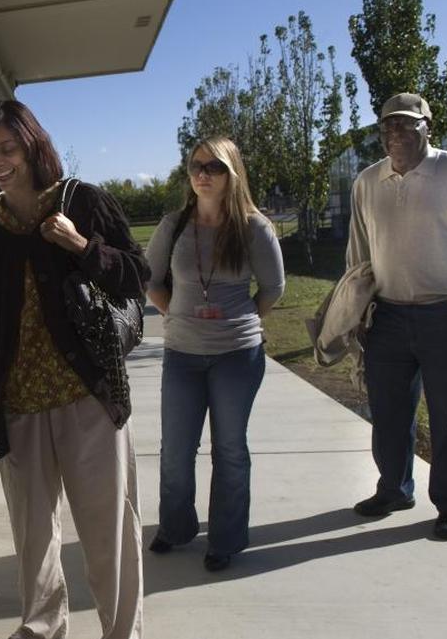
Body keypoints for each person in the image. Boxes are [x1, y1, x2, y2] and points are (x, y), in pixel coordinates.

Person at [0, 99, 149, 639]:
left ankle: (123, 632)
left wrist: (81, 245)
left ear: (31, 145)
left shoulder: (83, 202)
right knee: (33, 542)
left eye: (8, 148)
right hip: (17, 406)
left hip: (86, 397)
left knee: (108, 533)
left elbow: (137, 276)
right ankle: (43, 630)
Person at [347, 93, 447, 540]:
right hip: (388, 315)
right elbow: (358, 249)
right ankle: (394, 489)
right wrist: (359, 303)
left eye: (406, 124)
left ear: (427, 126)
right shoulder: (367, 182)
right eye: (388, 126)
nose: (395, 133)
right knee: (389, 412)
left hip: (445, 315)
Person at [144, 136, 284, 572]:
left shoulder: (253, 227)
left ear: (232, 174)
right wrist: (178, 314)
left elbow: (274, 287)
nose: (203, 173)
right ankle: (175, 526)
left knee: (229, 447)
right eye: (196, 165)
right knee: (175, 449)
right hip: (183, 353)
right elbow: (151, 280)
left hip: (236, 356)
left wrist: (238, 322)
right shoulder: (174, 224)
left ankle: (224, 538)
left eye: (214, 167)